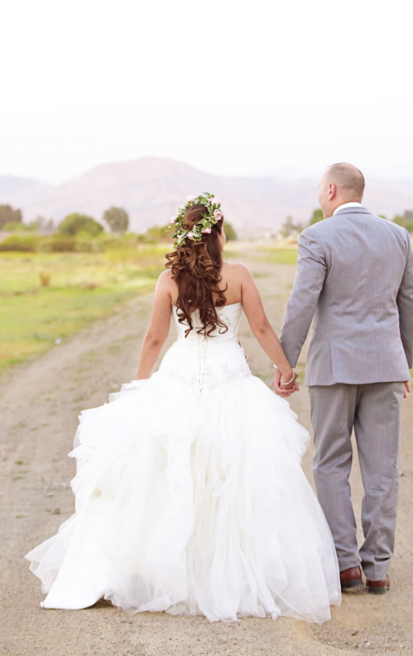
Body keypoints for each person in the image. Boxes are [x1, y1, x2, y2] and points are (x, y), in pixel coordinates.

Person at [26, 192, 341, 622]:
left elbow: (154, 340)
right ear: (218, 235)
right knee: (234, 473)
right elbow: (263, 327)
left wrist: (140, 387)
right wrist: (284, 370)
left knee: (172, 472)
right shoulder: (240, 275)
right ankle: (229, 572)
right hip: (232, 381)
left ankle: (169, 568)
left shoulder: (168, 280)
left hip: (179, 377)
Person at [278, 163, 413, 596]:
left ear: (333, 190)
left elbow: (302, 301)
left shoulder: (317, 237)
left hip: (334, 368)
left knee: (331, 463)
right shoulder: (398, 235)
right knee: (383, 469)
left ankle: (345, 565)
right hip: (385, 368)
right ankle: (377, 568)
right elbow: (409, 300)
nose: (320, 196)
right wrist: (404, 363)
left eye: (321, 189)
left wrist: (285, 362)